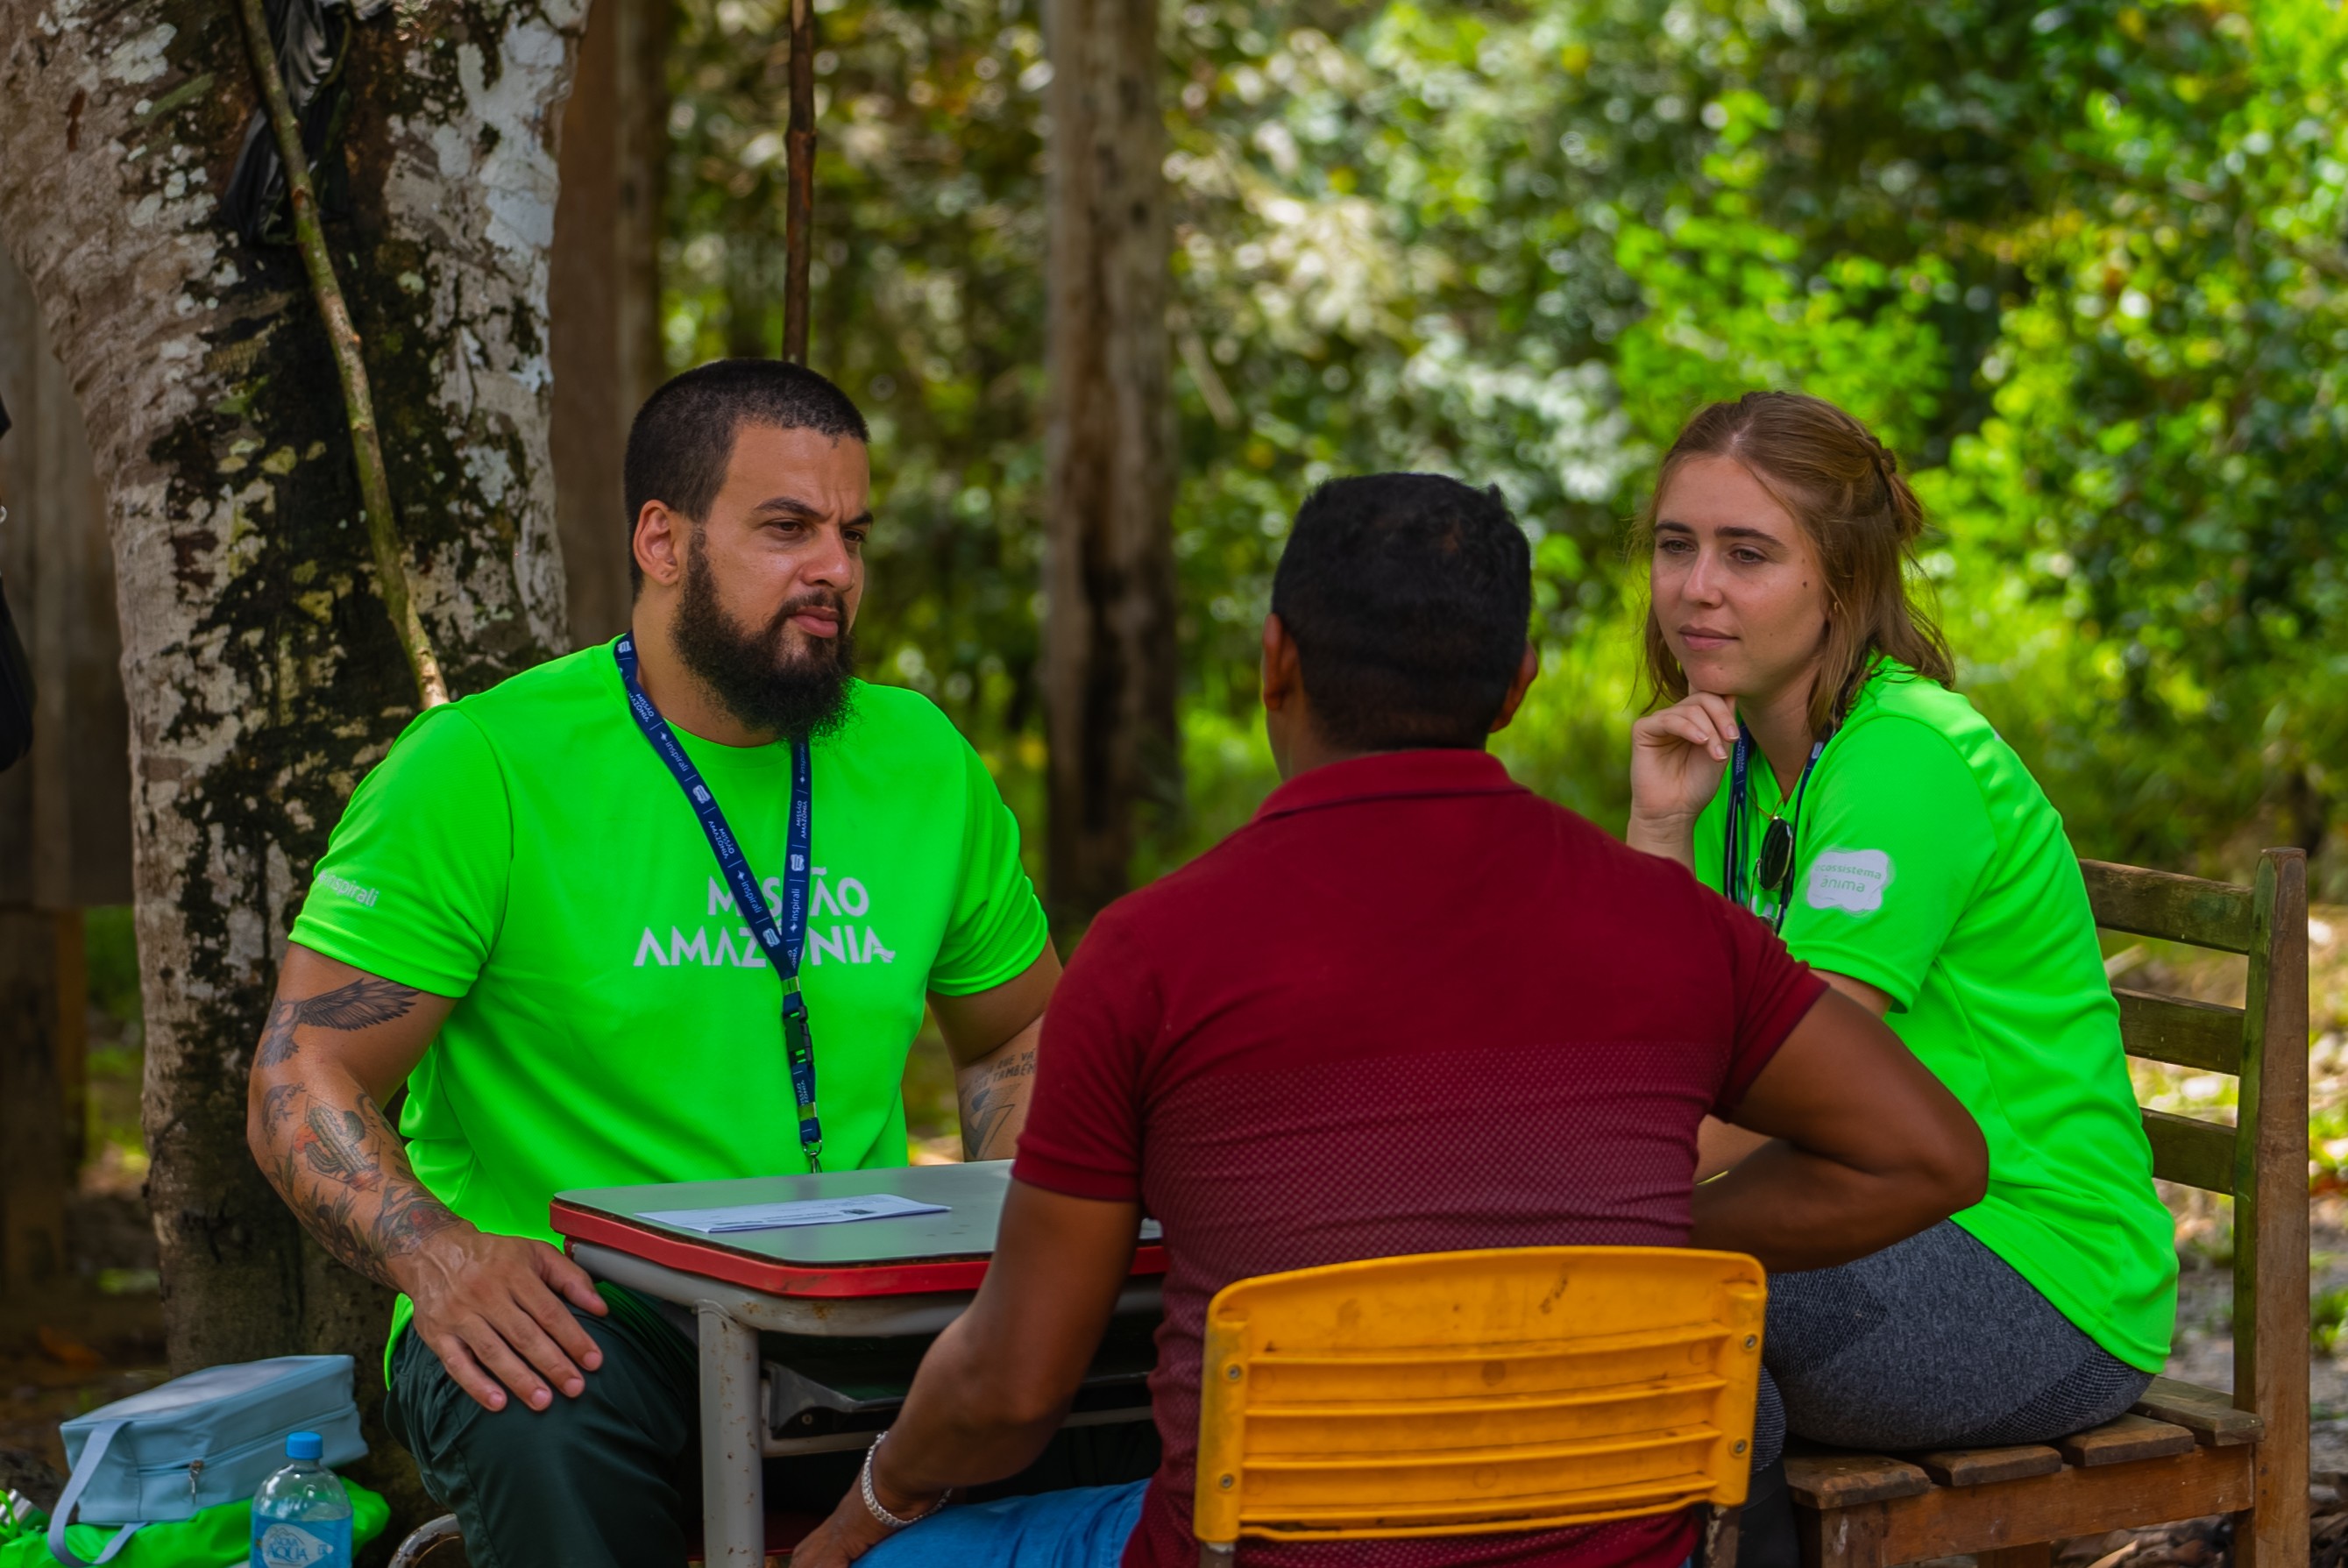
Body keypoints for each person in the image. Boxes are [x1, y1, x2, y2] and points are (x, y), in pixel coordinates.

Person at [791, 472, 1987, 1568]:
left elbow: (1010, 1383)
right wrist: (1648, 1241)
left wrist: (864, 1510)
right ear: (1516, 684)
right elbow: (1926, 1154)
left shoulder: (1150, 953)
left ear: (1274, 662)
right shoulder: (1673, 929)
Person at [245, 359, 1061, 1567]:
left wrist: (1016, 1247)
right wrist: (438, 1253)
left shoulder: (921, 759)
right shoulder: (481, 766)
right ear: (661, 540)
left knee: (1102, 1397)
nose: (831, 568)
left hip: (859, 1305)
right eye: (785, 527)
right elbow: (299, 1069)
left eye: (850, 532)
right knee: (540, 1419)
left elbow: (1019, 1032)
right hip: (581, 1311)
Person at [1621, 393, 2177, 1510]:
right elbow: (1647, 1027)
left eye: (1748, 553)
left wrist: (1586, 1176)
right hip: (1856, 1209)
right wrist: (1658, 830)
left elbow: (1792, 1073)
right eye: (1676, 547)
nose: (1699, 587)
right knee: (1653, 1333)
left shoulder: (1906, 758)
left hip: (2033, 1269)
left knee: (1646, 1318)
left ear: (1842, 580)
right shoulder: (1728, 759)